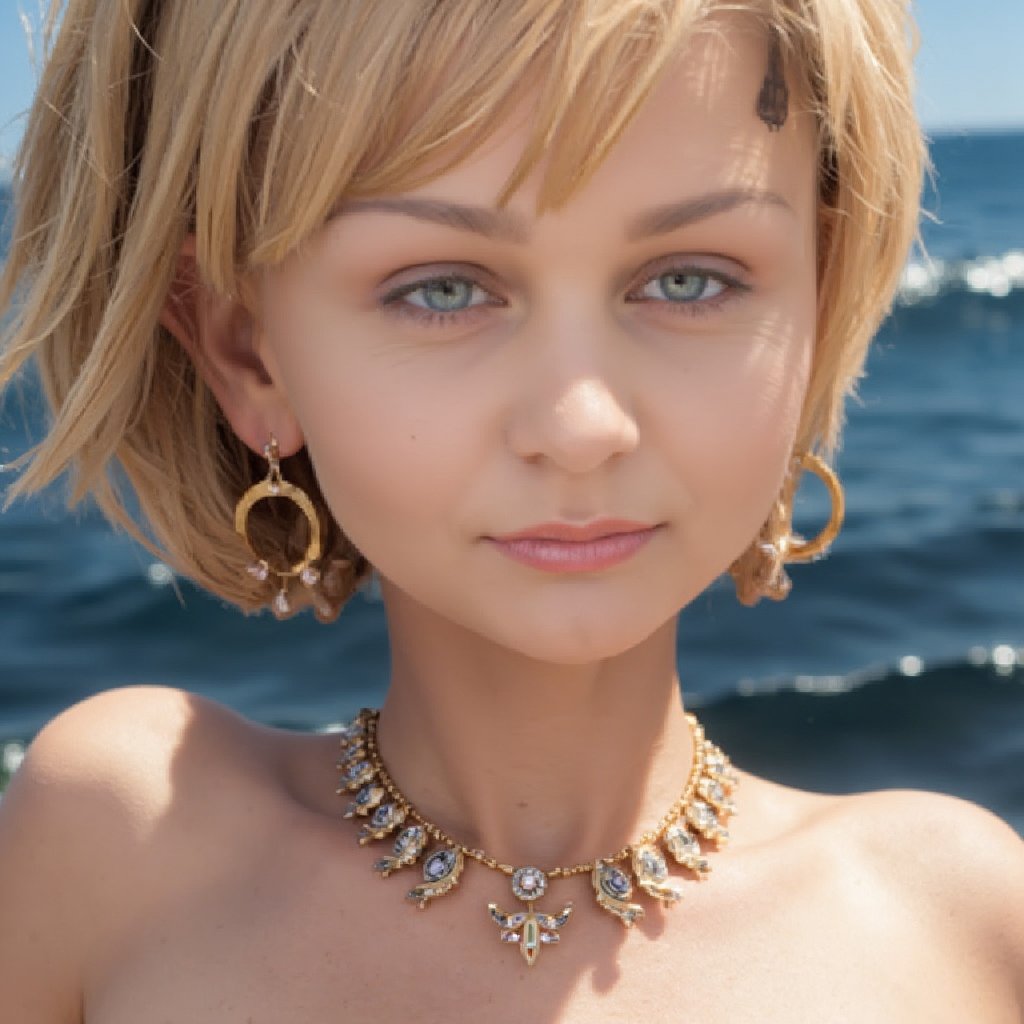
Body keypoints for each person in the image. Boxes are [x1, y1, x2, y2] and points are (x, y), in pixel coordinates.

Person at [0, 0, 1021, 1020]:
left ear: (817, 295)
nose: (581, 423)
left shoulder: (959, 924)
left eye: (687, 278)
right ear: (246, 351)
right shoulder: (116, 846)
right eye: (442, 290)